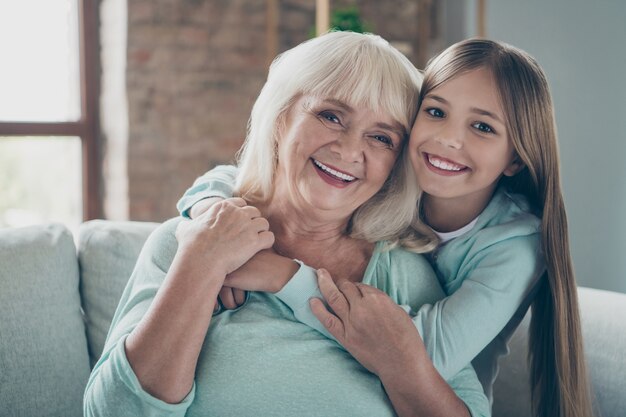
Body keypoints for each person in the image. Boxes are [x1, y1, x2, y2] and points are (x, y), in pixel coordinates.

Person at [178, 38, 594, 417]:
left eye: (482, 127)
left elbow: (414, 353)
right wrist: (211, 215)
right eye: (436, 112)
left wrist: (279, 274)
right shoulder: (392, 182)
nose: (448, 139)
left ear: (515, 159)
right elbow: (243, 176)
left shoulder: (515, 248)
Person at [83, 31, 489, 417]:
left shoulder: (404, 274)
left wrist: (400, 364)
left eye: (382, 138)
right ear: (281, 118)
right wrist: (201, 263)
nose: (349, 150)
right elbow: (113, 410)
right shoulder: (187, 240)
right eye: (331, 116)